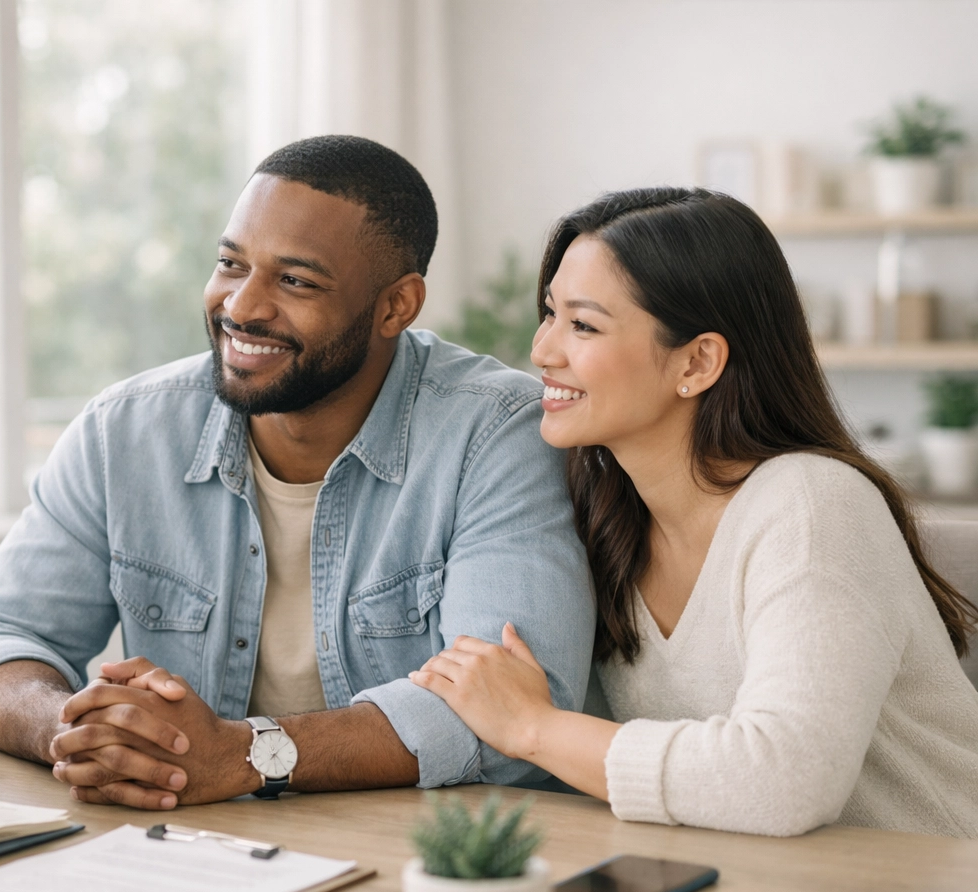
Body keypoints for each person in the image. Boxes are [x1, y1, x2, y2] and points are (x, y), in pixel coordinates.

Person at [0, 135, 595, 810]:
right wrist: (78, 733)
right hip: (196, 838)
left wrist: (245, 753)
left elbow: (514, 711)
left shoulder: (499, 433)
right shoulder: (125, 431)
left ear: (396, 306)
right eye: (231, 264)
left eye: (295, 281)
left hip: (432, 849)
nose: (241, 307)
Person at [411, 186, 978, 838]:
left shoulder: (813, 505)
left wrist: (532, 727)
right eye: (549, 314)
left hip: (932, 889)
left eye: (583, 325)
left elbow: (786, 780)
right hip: (749, 885)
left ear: (698, 360)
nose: (542, 350)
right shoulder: (604, 518)